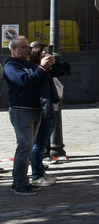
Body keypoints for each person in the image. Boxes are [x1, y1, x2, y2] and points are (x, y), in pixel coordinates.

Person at [3, 36, 64, 195]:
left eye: (28, 47)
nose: (27, 49)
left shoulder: (31, 64)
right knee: (25, 146)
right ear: (14, 50)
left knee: (29, 145)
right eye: (23, 47)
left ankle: (24, 180)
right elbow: (25, 80)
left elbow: (44, 78)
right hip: (21, 110)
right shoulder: (10, 65)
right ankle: (19, 183)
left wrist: (49, 66)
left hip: (36, 109)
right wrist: (42, 68)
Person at [28, 42, 70, 188]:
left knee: (43, 141)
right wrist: (42, 67)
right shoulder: (35, 69)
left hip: (52, 106)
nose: (47, 55)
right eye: (43, 53)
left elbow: (65, 69)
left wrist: (52, 63)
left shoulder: (48, 68)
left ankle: (39, 171)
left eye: (48, 52)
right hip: (44, 108)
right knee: (39, 143)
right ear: (36, 55)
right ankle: (36, 175)